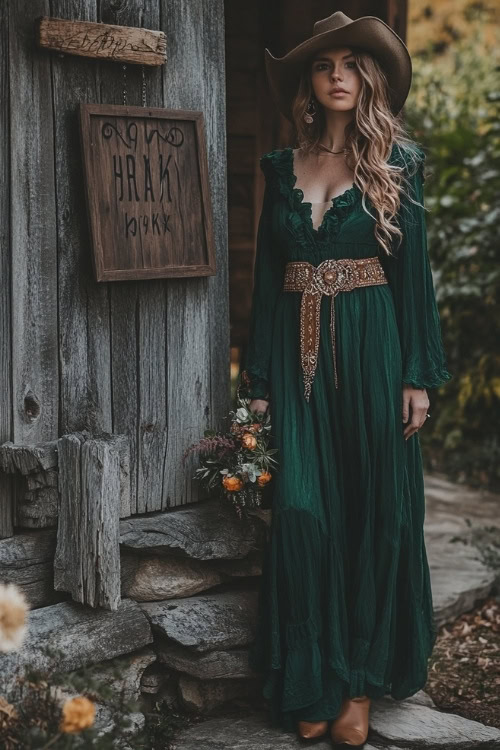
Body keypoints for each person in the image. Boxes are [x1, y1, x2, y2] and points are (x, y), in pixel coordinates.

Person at [239, 11, 452, 748]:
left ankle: (358, 682)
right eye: (325, 64)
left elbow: (414, 279)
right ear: (309, 80)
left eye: (351, 64)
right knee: (302, 513)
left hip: (372, 353)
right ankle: (313, 676)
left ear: (368, 79)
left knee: (370, 509)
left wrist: (418, 375)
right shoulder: (276, 167)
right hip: (295, 369)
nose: (338, 74)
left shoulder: (398, 163)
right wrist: (257, 383)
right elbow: (266, 285)